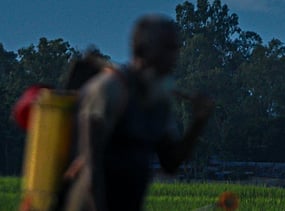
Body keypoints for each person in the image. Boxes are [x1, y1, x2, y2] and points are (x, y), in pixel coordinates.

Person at [61, 14, 213, 211]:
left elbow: (171, 162)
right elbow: (92, 170)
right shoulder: (108, 90)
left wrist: (198, 122)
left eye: (176, 48)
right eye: (166, 47)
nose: (173, 56)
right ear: (142, 49)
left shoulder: (159, 99)